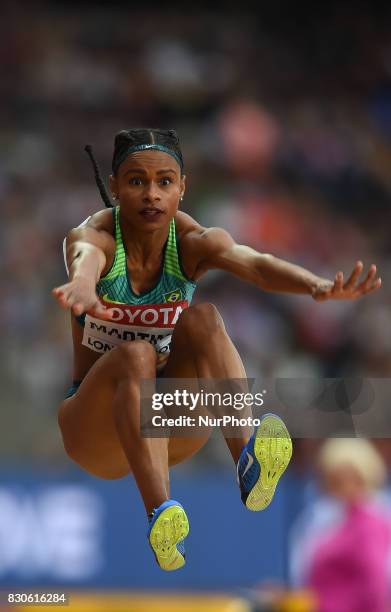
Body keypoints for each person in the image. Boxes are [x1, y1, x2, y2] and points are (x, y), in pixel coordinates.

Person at [53, 128, 381, 572]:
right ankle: (161, 516)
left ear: (182, 188)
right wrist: (83, 285)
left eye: (165, 182)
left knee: (204, 319)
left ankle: (248, 462)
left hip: (168, 423)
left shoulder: (192, 242)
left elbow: (257, 266)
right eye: (136, 181)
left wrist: (316, 285)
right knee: (136, 355)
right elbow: (85, 258)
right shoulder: (94, 237)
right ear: (114, 187)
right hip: (96, 430)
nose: (152, 194)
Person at [289, 438, 391, 612]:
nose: (343, 487)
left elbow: (376, 583)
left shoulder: (370, 523)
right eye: (334, 479)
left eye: (349, 478)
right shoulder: (324, 516)